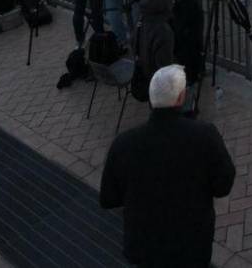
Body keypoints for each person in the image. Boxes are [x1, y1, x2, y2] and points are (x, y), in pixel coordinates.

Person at [99, 65, 236, 268]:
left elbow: (108, 199)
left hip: (143, 249)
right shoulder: (205, 135)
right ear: (181, 98)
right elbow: (223, 186)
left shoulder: (123, 144)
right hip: (192, 248)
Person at [160, 0, 202, 113]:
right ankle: (189, 85)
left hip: (175, 15)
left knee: (181, 47)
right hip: (186, 16)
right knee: (189, 49)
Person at [131, 0, 175, 102]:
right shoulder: (163, 31)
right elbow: (164, 65)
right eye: (171, 2)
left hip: (142, 73)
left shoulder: (141, 21)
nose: (174, 4)